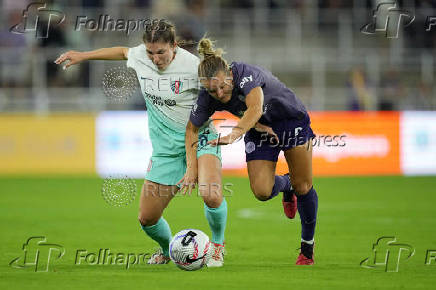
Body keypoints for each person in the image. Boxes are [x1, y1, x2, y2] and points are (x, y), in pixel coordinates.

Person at [54, 20, 227, 267]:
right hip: (166, 150)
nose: (155, 59)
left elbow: (221, 88)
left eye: (161, 52)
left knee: (210, 193)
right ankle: (168, 251)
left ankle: (218, 247)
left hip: (201, 139)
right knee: (147, 218)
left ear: (174, 46)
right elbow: (122, 51)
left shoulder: (192, 67)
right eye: (150, 52)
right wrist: (83, 55)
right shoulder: (140, 56)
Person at [181, 37, 318, 265]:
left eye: (222, 87)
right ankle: (287, 185)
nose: (220, 94)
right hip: (257, 128)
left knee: (304, 185)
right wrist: (191, 169)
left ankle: (307, 249)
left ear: (229, 75)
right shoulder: (208, 96)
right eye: (213, 91)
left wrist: (234, 135)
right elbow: (191, 131)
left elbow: (254, 108)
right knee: (262, 191)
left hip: (290, 121)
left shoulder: (247, 74)